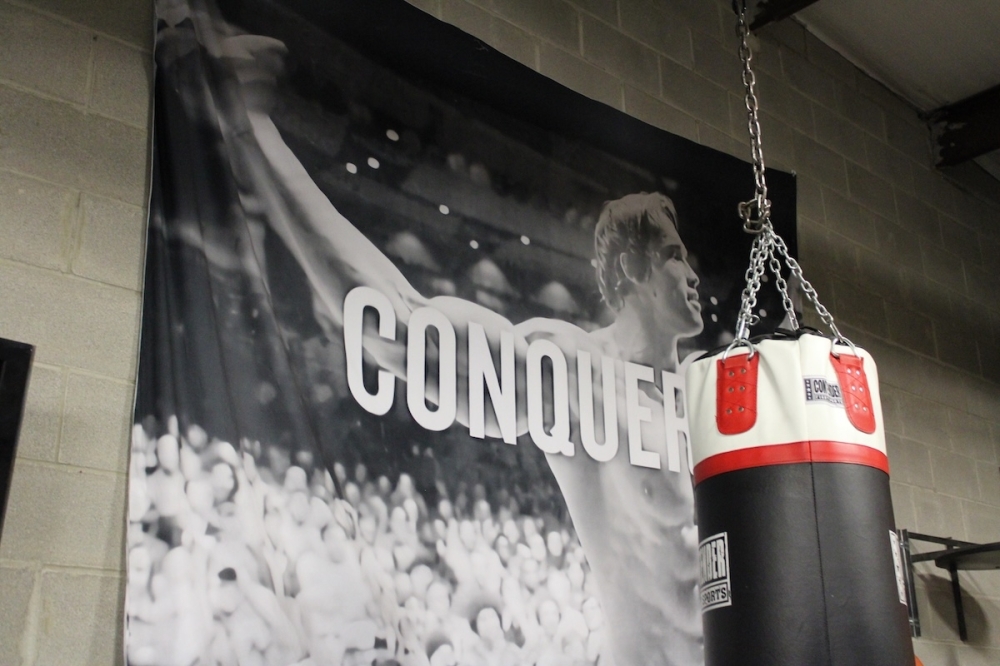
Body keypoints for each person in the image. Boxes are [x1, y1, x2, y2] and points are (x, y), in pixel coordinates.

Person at [203, 21, 705, 665]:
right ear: (634, 268)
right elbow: (397, 327)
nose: (693, 274)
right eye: (674, 256)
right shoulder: (577, 373)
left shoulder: (711, 395)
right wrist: (255, 132)